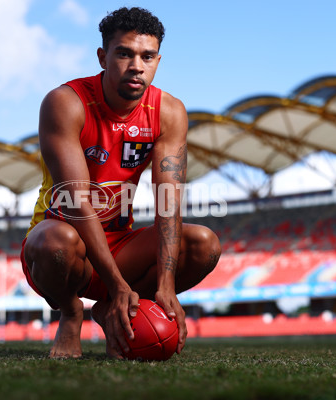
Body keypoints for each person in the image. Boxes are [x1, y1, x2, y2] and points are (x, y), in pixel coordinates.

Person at [21, 7, 221, 359]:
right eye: (124, 53)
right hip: (64, 243)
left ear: (158, 60)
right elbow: (77, 201)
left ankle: (113, 309)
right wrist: (116, 284)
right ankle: (71, 312)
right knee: (57, 240)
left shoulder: (169, 111)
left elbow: (168, 202)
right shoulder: (66, 103)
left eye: (147, 56)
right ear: (103, 57)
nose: (136, 66)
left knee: (205, 244)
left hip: (120, 243)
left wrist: (166, 286)